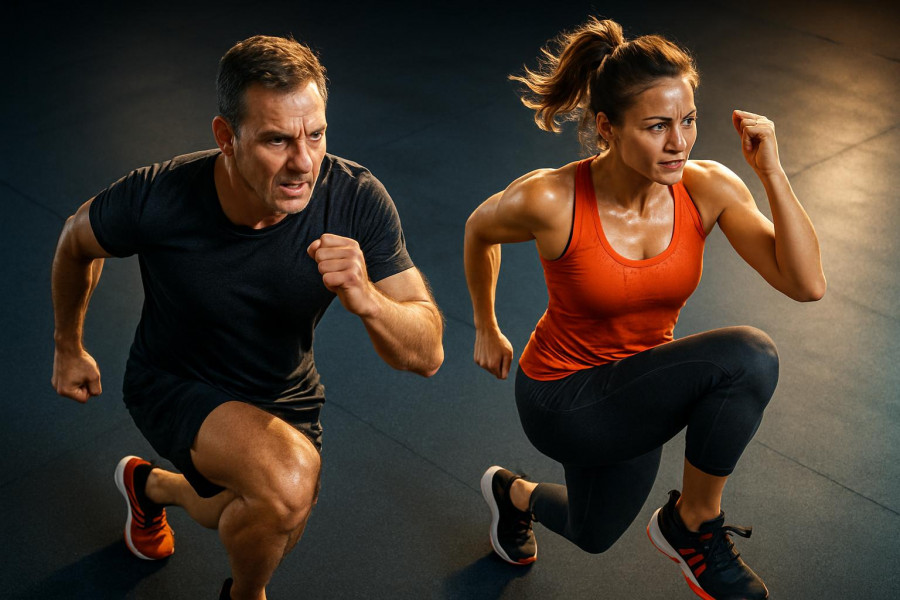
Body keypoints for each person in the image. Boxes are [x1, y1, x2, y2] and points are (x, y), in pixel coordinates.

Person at [51, 35, 444, 600]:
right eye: (277, 140)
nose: (303, 163)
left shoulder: (355, 199)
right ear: (226, 138)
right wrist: (68, 345)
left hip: (282, 392)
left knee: (250, 513)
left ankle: (151, 487)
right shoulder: (159, 196)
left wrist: (368, 299)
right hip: (174, 381)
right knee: (286, 486)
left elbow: (427, 351)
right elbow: (74, 241)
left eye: (316, 134)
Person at [464, 17, 824, 600]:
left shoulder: (706, 187)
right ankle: (692, 527)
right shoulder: (552, 198)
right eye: (657, 127)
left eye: (688, 121)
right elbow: (478, 231)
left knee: (594, 532)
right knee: (749, 357)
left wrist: (771, 172)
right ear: (607, 127)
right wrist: (486, 324)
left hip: (636, 389)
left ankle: (511, 493)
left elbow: (806, 283)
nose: (679, 142)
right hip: (561, 396)